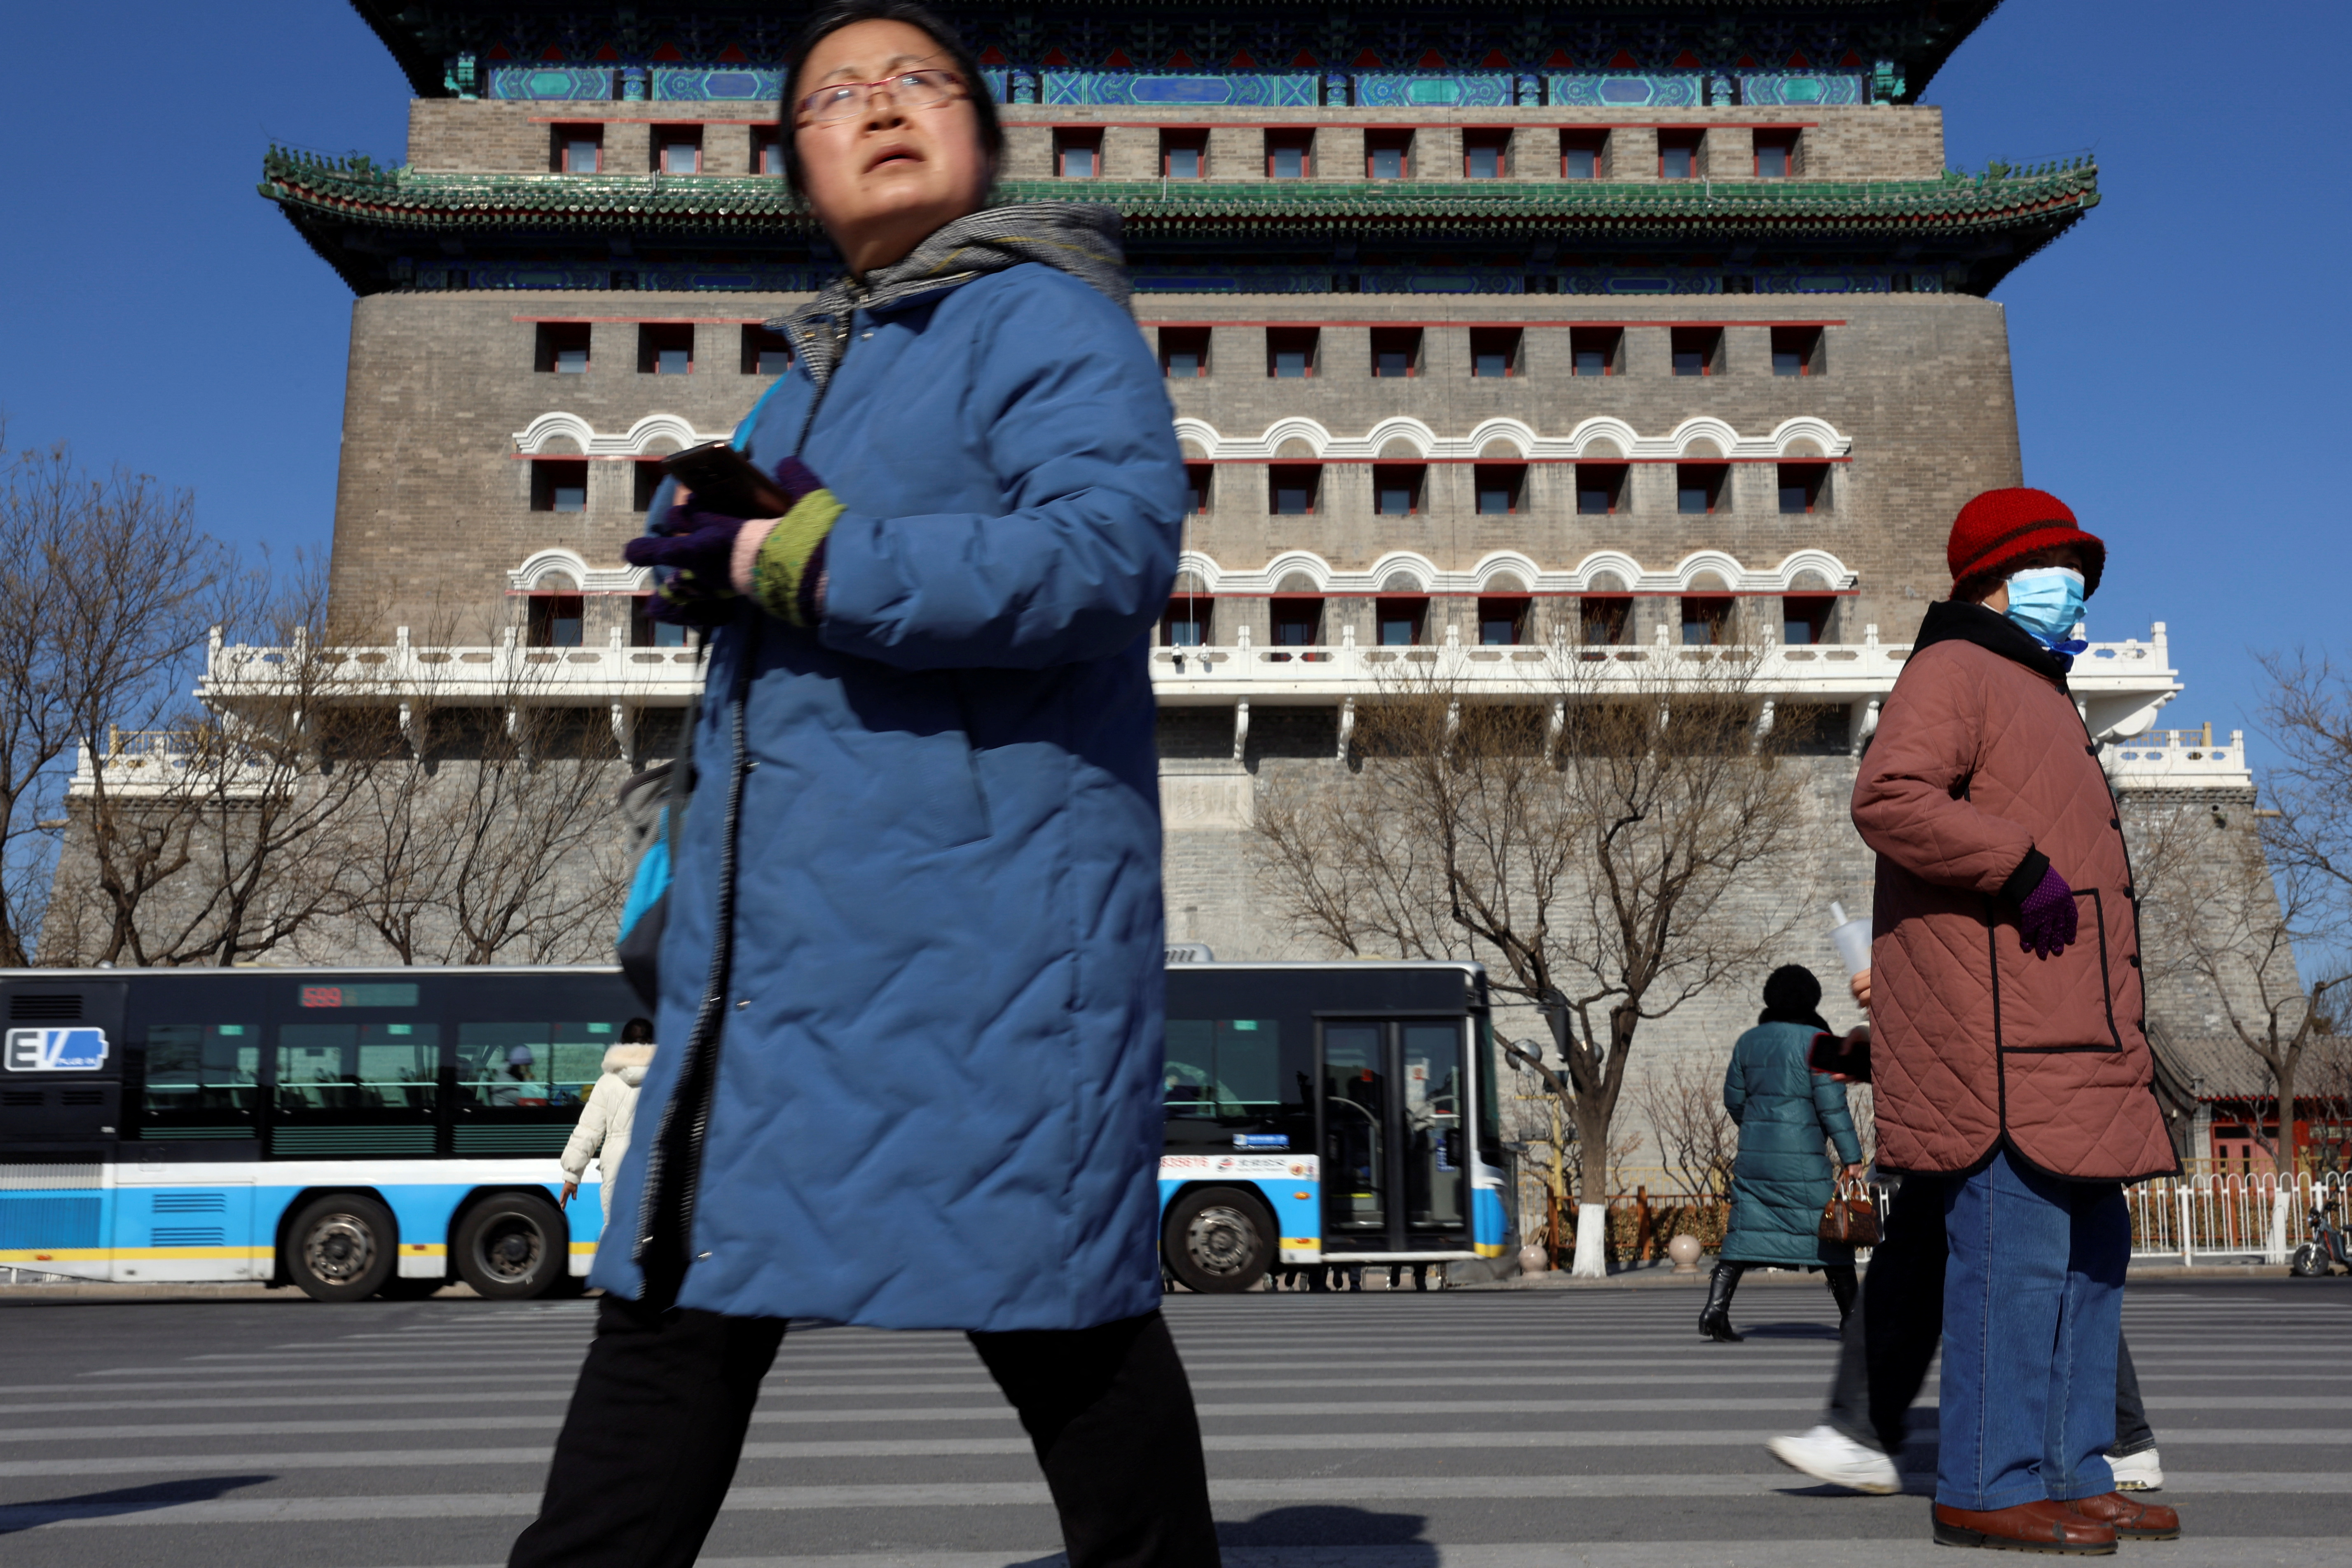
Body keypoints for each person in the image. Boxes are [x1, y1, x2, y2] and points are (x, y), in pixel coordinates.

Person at [506, 5, 1215, 1568]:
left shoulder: (1045, 319)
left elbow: (1107, 559)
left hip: (980, 958)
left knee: (1069, 1337)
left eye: (919, 83)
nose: (882, 108)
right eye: (837, 95)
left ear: (983, 134)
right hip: (773, 978)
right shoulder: (804, 382)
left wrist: (808, 558)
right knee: (667, 1327)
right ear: (796, 165)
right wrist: (727, 570)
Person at [1846, 488, 2180, 1550]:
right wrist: (2017, 861)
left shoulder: (2040, 689)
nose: (2074, 589)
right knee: (2013, 1269)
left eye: (2082, 573)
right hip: (2002, 1046)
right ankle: (1985, 1482)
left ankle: (2074, 1468)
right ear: (1996, 576)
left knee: (2089, 1271)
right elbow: (1888, 796)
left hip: (2073, 1037)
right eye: (2057, 568)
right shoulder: (1956, 669)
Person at [1767, 972, 2167, 1498]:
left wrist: (1900, 992)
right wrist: (1886, 1035)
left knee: (2031, 1268)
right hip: (2006, 1086)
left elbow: (1989, 986)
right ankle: (2119, 1438)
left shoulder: (2020, 899)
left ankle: (1868, 1430)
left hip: (2021, 1089)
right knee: (2035, 1269)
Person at [1699, 964, 1865, 1343]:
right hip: (1803, 1158)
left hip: (1756, 1156)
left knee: (1744, 1231)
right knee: (1831, 1235)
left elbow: (1733, 1099)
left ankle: (1715, 1308)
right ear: (1812, 999)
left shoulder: (1749, 1041)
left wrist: (1759, 1128)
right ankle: (1853, 1318)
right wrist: (1851, 1157)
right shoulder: (1817, 1041)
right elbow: (1831, 1106)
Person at [559, 1019, 656, 1229]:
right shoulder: (666, 1079)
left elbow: (588, 1130)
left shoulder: (607, 1082)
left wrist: (572, 1175)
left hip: (617, 1165)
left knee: (617, 1228)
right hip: (656, 1163)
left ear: (622, 1043)